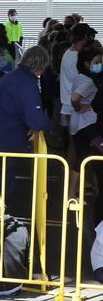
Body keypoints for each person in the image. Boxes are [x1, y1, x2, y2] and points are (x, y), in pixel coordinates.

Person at [0, 46, 51, 200]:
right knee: (0, 190)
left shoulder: (16, 77)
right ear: (40, 67)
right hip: (1, 144)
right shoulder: (26, 83)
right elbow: (35, 118)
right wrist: (45, 125)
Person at [60, 23, 98, 199]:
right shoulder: (76, 60)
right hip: (74, 108)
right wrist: (81, 106)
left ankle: (73, 182)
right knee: (78, 150)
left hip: (70, 106)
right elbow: (77, 97)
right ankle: (73, 184)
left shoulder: (69, 53)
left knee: (75, 147)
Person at [71, 43, 103, 222]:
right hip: (88, 126)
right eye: (97, 61)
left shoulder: (81, 77)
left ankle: (77, 192)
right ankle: (74, 193)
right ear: (86, 63)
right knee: (82, 161)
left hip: (84, 126)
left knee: (82, 161)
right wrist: (82, 107)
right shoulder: (90, 81)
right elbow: (75, 98)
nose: (100, 64)